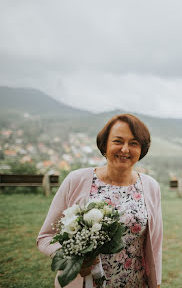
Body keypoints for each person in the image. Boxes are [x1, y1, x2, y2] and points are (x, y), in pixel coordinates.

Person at [37, 114, 162, 288]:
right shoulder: (76, 180)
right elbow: (45, 237)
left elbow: (155, 247)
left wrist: (156, 283)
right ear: (104, 145)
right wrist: (75, 259)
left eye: (133, 143)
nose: (125, 149)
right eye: (118, 141)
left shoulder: (150, 186)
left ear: (142, 149)